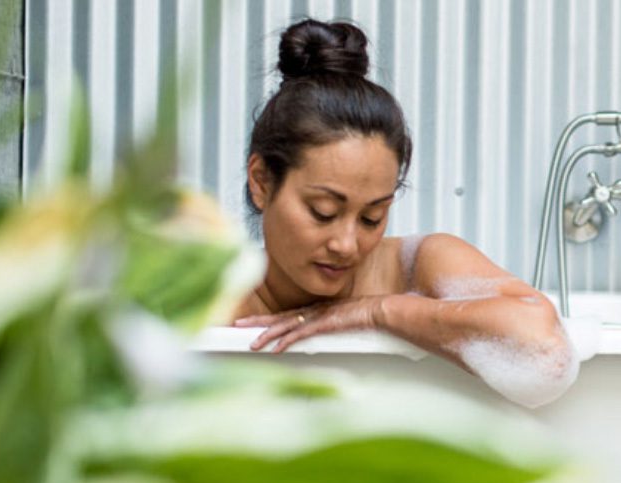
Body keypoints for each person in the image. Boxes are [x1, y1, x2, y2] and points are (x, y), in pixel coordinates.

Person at [228, 18, 575, 407]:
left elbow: (542, 346)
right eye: (323, 212)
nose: (346, 244)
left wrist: (376, 311)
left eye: (371, 218)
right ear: (261, 182)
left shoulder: (418, 267)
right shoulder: (215, 305)